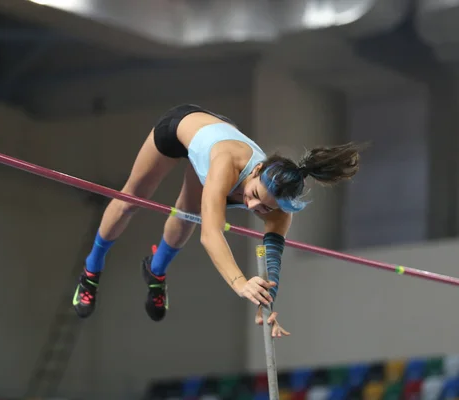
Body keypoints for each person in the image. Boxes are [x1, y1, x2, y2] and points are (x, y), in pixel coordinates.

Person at [72, 103, 363, 337]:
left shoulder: (279, 211)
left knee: (187, 215)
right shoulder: (226, 163)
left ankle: (155, 271)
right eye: (252, 194)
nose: (251, 205)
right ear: (256, 170)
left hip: (212, 143)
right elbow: (211, 235)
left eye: (263, 207)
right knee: (131, 201)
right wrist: (239, 283)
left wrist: (266, 303)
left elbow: (271, 267)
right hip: (179, 128)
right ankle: (91, 270)